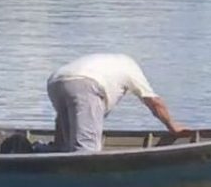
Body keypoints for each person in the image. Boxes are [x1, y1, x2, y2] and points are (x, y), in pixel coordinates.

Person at [47, 53, 187, 152]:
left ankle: (40, 154)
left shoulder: (108, 63)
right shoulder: (131, 67)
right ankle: (81, 185)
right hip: (87, 84)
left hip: (56, 81)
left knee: (64, 145)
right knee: (86, 148)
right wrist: (172, 126)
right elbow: (154, 102)